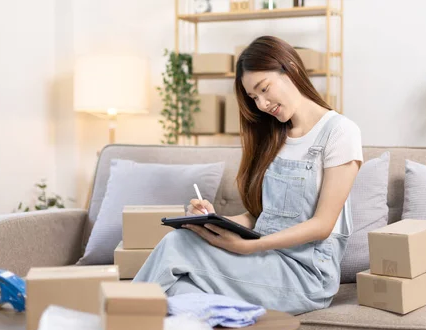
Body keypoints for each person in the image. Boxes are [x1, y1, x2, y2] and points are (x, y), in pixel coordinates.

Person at [133, 35, 363, 315]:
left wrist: (249, 248)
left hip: (305, 276)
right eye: (254, 97)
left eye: (264, 89)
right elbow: (261, 217)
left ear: (290, 67)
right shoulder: (274, 137)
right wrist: (211, 221)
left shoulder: (340, 132)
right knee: (178, 292)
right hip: (263, 260)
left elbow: (322, 225)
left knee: (176, 245)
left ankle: (111, 324)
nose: (262, 104)